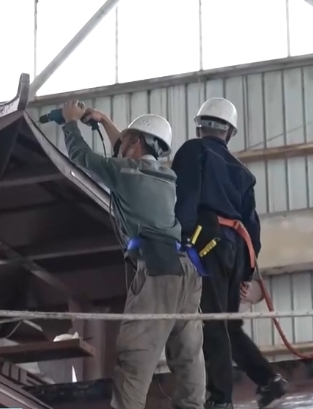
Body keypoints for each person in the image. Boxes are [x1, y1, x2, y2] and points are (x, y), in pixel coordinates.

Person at [59, 100, 205, 409]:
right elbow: (125, 152)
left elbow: (81, 156)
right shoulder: (165, 177)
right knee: (188, 354)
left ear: (136, 142)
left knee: (136, 355)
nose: (119, 146)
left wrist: (69, 122)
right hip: (187, 269)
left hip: (157, 268)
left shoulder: (124, 173)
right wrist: (104, 121)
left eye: (125, 140)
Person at [171, 98, 287, 409]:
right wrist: (246, 271)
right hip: (236, 248)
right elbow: (253, 226)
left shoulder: (193, 150)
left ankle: (220, 400)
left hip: (205, 241)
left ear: (199, 127)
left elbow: (185, 197)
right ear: (230, 132)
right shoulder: (242, 172)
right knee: (228, 325)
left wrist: (180, 241)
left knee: (212, 323)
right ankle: (269, 380)